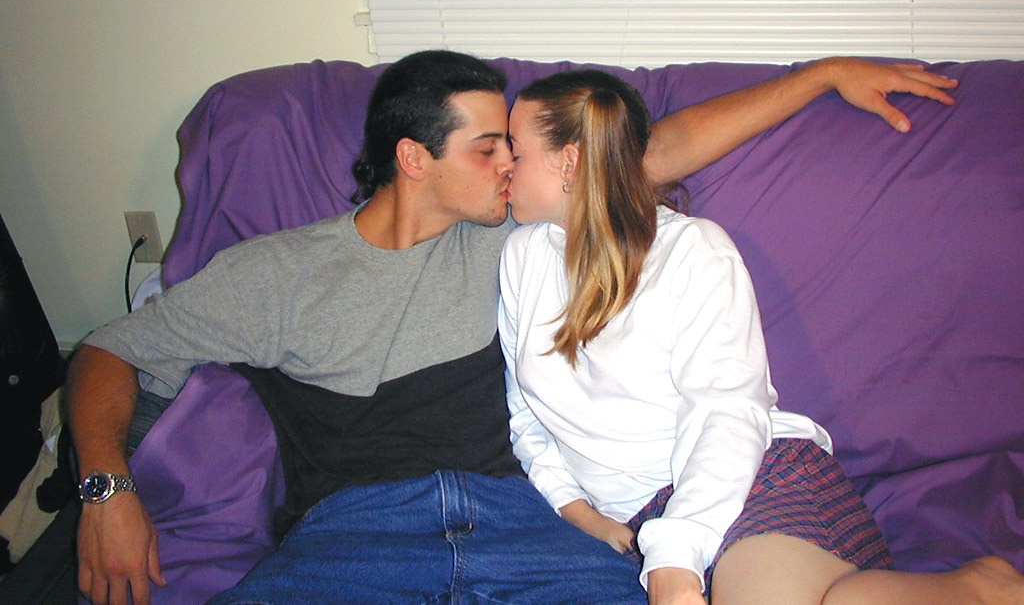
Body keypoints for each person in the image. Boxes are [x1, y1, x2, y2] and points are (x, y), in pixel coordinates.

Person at [66, 50, 961, 605]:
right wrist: (107, 488)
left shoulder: (523, 237)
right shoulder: (280, 274)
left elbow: (639, 155)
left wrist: (819, 76)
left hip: (533, 531)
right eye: (487, 146)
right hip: (359, 538)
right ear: (414, 158)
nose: (507, 165)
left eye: (515, 148)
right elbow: (110, 349)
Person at [498, 68, 1024, 605]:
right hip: (642, 521)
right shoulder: (522, 259)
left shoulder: (692, 251)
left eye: (515, 150)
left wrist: (676, 552)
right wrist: (578, 512)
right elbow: (527, 417)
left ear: (569, 162)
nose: (503, 165)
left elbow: (727, 410)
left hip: (750, 480)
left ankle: (979, 587)